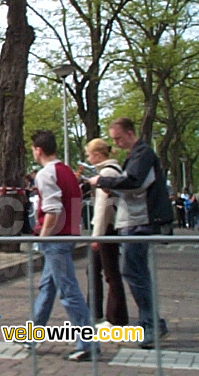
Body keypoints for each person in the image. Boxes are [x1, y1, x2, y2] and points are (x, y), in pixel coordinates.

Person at [89, 117, 172, 349]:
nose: (116, 143)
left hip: (139, 220)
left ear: (129, 132)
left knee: (133, 272)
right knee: (135, 272)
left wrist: (102, 181)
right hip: (134, 220)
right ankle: (151, 322)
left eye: (118, 138)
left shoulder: (142, 155)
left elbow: (133, 182)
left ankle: (152, 323)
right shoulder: (136, 156)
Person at [30, 130, 94, 362]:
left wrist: (43, 238)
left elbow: (53, 210)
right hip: (68, 233)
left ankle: (87, 342)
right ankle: (33, 332)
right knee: (48, 286)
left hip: (56, 238)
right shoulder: (66, 171)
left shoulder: (46, 174)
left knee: (67, 290)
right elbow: (73, 202)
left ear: (38, 150)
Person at [84, 138, 129, 328]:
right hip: (107, 226)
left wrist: (97, 235)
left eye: (89, 154)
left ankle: (115, 318)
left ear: (97, 154)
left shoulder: (107, 173)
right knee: (95, 270)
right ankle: (94, 312)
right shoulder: (113, 170)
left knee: (110, 272)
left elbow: (103, 208)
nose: (87, 157)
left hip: (105, 227)